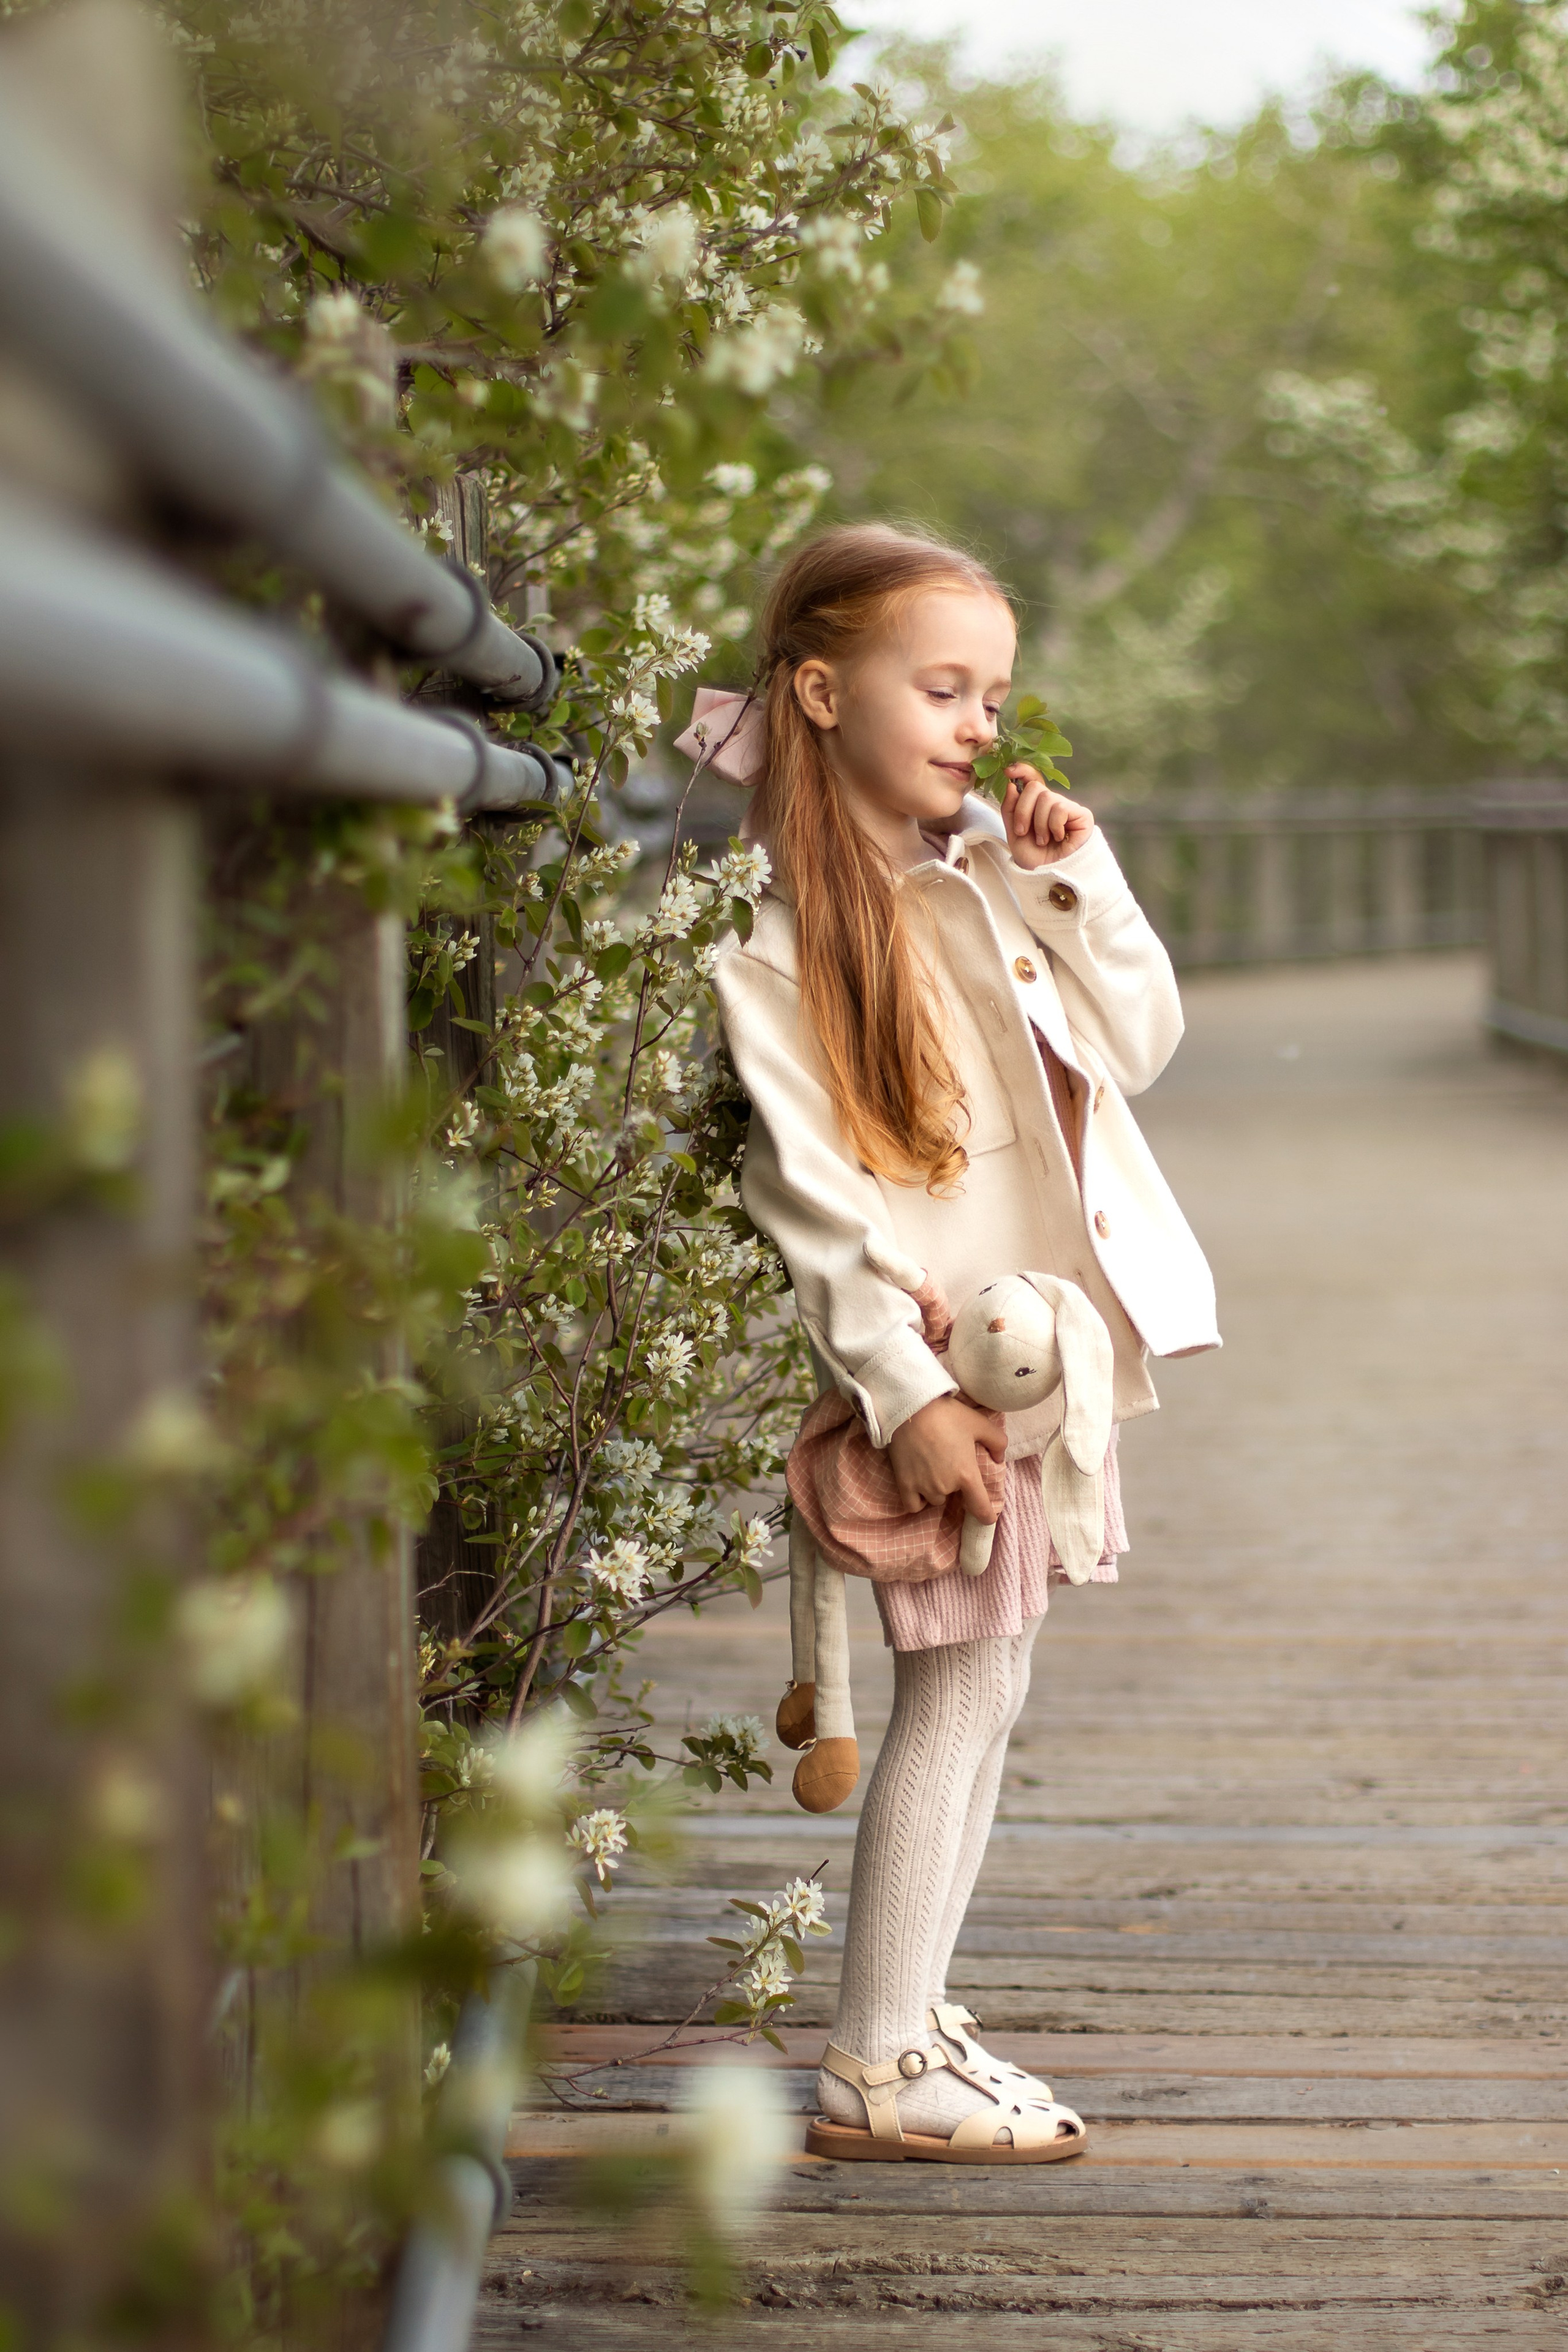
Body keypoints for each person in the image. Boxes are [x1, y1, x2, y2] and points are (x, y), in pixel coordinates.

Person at [709, 521, 1219, 2164]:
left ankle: (908, 2010)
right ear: (817, 690)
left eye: (993, 698)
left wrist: (1079, 873)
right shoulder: (777, 932)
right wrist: (909, 1393)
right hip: (943, 1378)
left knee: (989, 1688)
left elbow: (1142, 1040)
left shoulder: (991, 873)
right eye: (941, 687)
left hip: (1037, 1358)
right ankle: (876, 2060)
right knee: (961, 1688)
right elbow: (810, 1195)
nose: (979, 726)